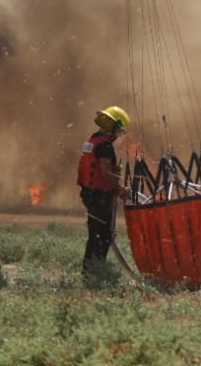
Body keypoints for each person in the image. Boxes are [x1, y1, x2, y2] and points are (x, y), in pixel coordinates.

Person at [77, 104, 129, 285]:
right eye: (119, 129)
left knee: (95, 235)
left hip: (89, 193)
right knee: (103, 236)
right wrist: (120, 189)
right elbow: (106, 173)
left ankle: (89, 272)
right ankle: (95, 273)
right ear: (114, 126)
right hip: (99, 196)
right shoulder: (105, 145)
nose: (118, 134)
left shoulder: (93, 139)